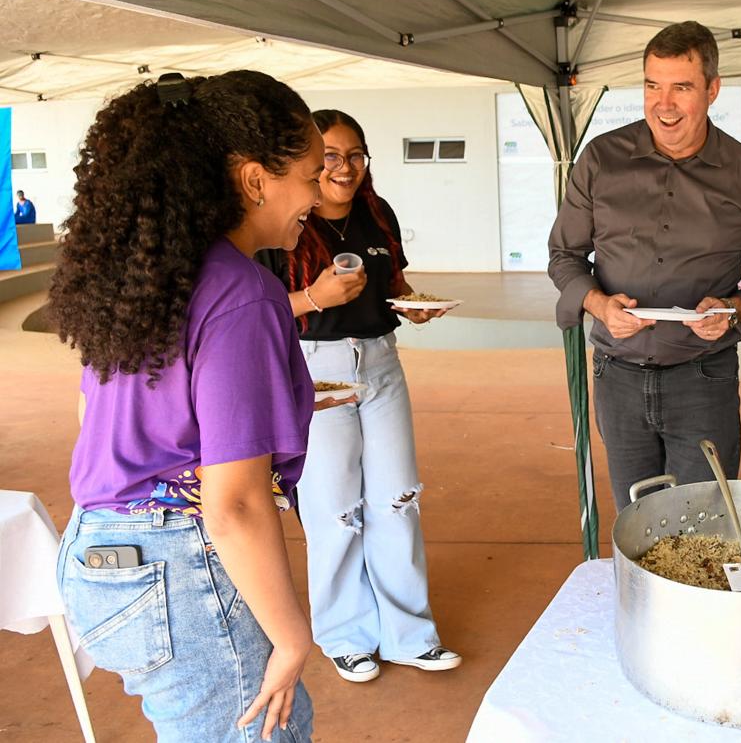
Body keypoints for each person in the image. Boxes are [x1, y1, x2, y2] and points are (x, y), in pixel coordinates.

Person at [48, 71, 336, 742]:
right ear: (255, 179)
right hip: (181, 565)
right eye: (308, 174)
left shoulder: (148, 276)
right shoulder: (243, 294)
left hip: (98, 555)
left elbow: (94, 417)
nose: (318, 197)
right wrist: (292, 637)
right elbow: (232, 504)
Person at [548, 21, 741, 509]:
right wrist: (597, 303)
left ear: (712, 89)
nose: (664, 104)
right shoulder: (599, 160)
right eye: (652, 85)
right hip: (616, 375)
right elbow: (564, 256)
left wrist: (732, 308)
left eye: (681, 87)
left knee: (703, 525)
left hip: (703, 377)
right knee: (635, 521)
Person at [257, 109, 460, 684]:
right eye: (329, 157)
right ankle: (345, 636)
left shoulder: (377, 212)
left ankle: (409, 634)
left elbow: (394, 284)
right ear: (307, 162)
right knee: (334, 508)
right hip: (314, 369)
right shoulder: (283, 222)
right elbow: (260, 312)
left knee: (398, 498)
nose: (343, 168)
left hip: (381, 360)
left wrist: (412, 305)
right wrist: (315, 297)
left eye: (354, 155)